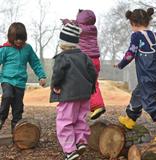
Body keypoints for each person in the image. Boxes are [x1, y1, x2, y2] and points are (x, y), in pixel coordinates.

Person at [50, 23, 97, 160]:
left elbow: (58, 73)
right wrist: (92, 87)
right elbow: (92, 73)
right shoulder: (84, 57)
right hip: (84, 95)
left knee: (64, 121)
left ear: (63, 43)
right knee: (80, 119)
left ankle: (70, 150)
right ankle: (80, 141)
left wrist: (56, 85)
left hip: (68, 95)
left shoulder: (62, 57)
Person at [114, 8, 156, 142]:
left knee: (149, 102)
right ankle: (130, 119)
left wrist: (121, 64)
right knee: (138, 94)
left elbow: (130, 53)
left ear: (133, 23)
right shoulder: (155, 35)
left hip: (148, 76)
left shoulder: (136, 36)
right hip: (155, 75)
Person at [0, 22, 46, 133]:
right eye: (16, 39)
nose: (19, 41)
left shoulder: (28, 49)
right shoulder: (5, 49)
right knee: (7, 95)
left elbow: (35, 63)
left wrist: (41, 76)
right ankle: (1, 118)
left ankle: (16, 132)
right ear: (11, 38)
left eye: (21, 38)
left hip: (20, 83)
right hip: (7, 80)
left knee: (18, 108)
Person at [61, 9, 106, 120]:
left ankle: (81, 106)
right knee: (93, 83)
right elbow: (78, 25)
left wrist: (66, 21)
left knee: (81, 83)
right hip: (96, 60)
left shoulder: (80, 29)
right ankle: (98, 106)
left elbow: (73, 27)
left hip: (85, 60)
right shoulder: (93, 29)